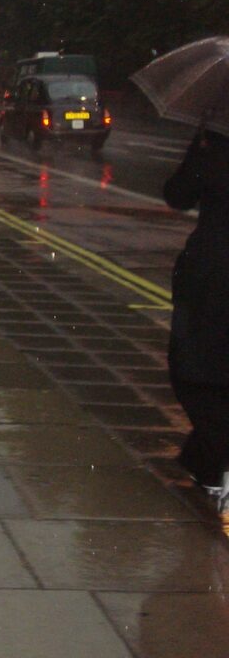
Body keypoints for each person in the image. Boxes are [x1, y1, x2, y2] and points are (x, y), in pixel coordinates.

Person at [163, 128, 229, 510]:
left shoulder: (215, 141)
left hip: (211, 273)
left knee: (191, 367)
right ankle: (204, 462)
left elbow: (178, 195)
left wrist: (201, 147)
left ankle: (214, 455)